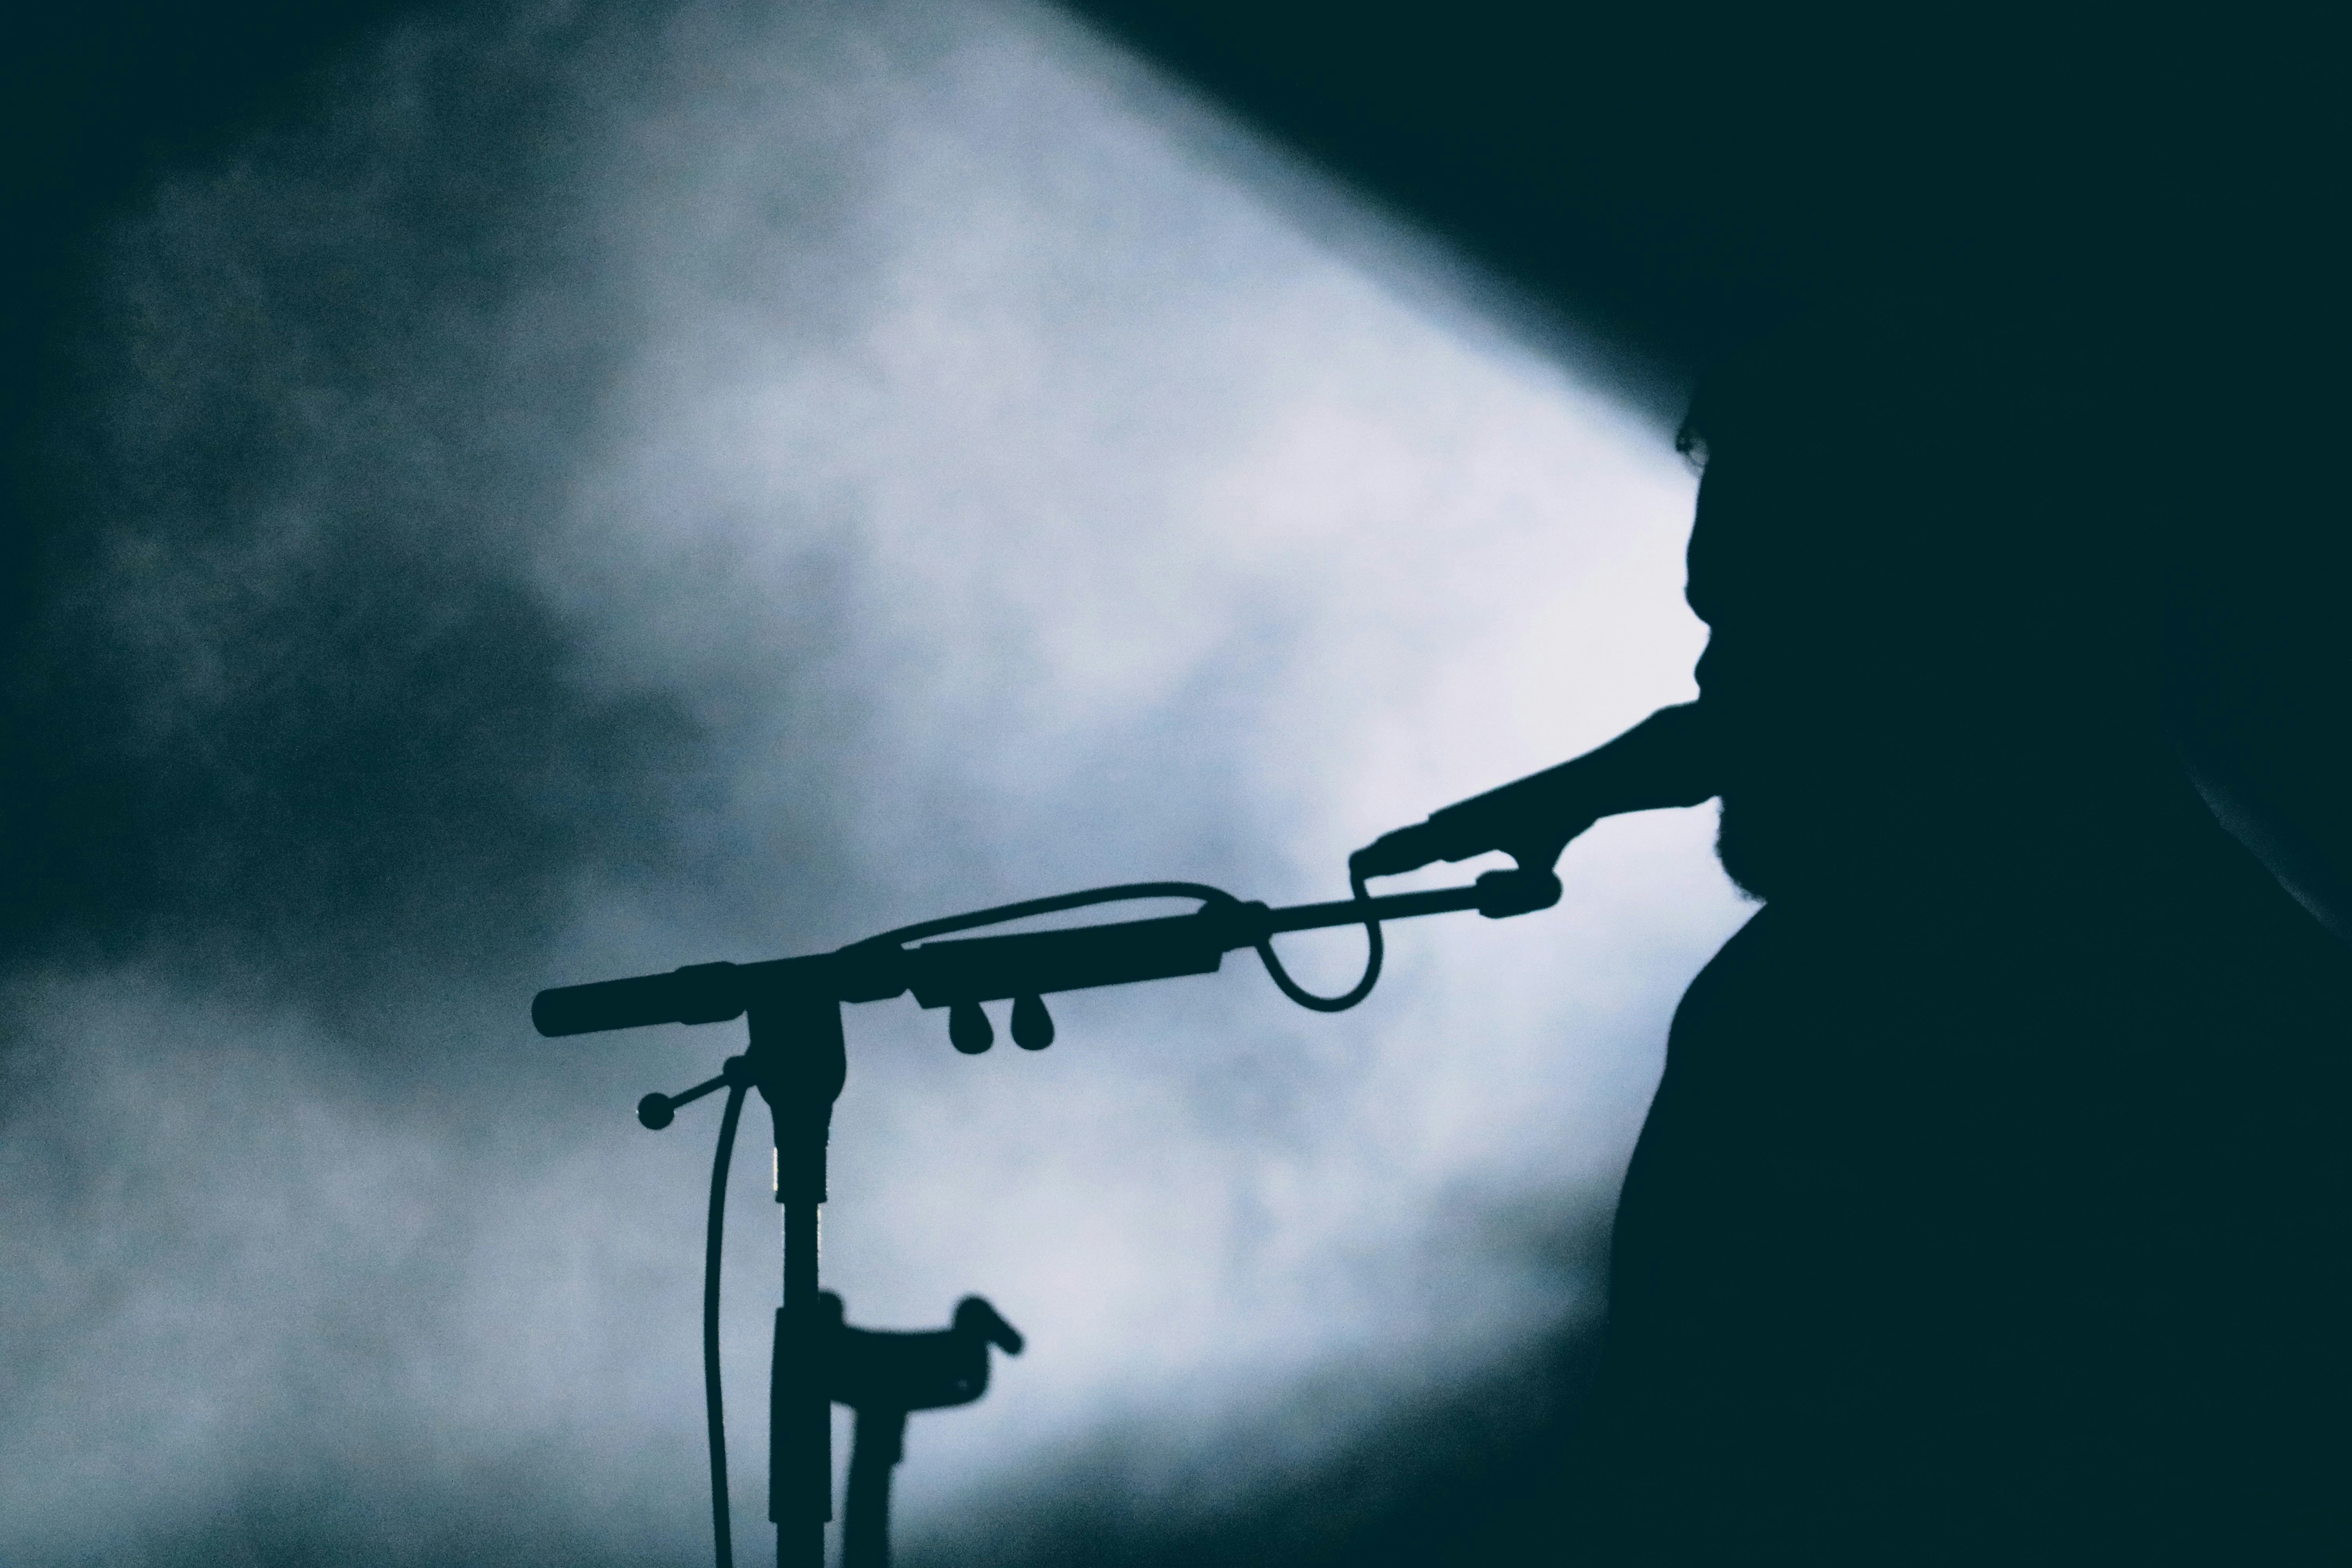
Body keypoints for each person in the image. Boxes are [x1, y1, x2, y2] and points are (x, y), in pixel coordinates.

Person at [1362, 294, 2348, 1561]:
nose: (1711, 673)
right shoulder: (2238, 1000)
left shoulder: (1850, 1023)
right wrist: (1635, 768)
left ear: (1958, 628)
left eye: (1765, 616)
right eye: (1712, 621)